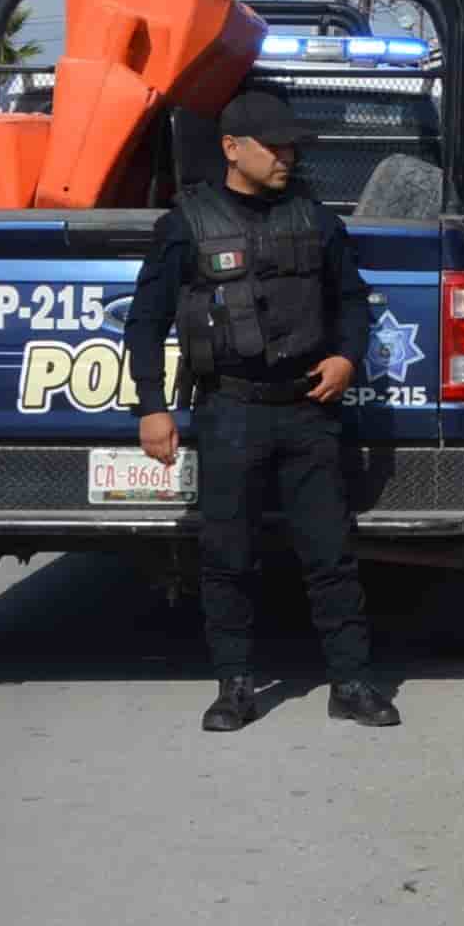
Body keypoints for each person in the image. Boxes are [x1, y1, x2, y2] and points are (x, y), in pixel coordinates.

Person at [132, 88, 392, 735]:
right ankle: (236, 686)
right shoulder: (186, 223)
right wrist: (151, 408)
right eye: (272, 146)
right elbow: (145, 321)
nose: (286, 156)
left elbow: (354, 302)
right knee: (227, 556)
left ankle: (352, 683)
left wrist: (347, 359)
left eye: (290, 145)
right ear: (230, 148)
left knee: (330, 553)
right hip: (229, 410)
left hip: (308, 410)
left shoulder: (316, 218)